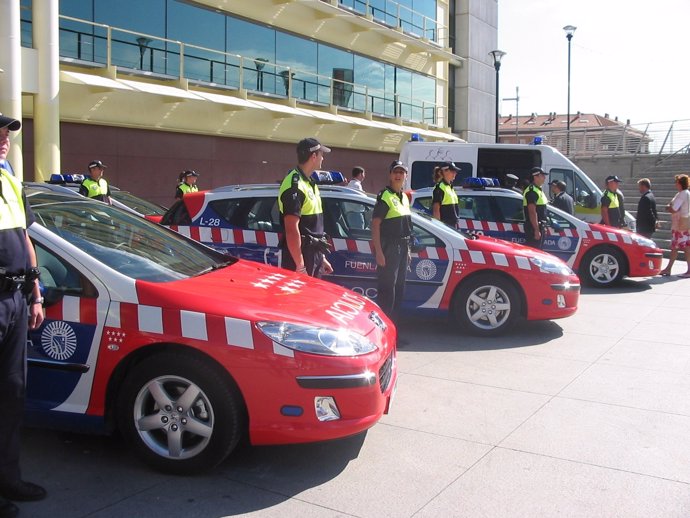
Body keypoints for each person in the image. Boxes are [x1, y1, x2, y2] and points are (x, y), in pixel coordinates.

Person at [0, 114, 47, 518]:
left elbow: (26, 237)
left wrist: (35, 291)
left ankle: (8, 477)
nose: (3, 140)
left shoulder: (9, 175)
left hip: (15, 299)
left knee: (12, 392)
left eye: (5, 134)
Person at [278, 138, 334, 278]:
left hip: (312, 254)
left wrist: (321, 258)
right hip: (300, 257)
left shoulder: (309, 183)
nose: (323, 158)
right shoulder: (294, 185)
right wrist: (300, 265)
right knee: (298, 299)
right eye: (321, 154)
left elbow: (312, 227)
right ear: (313, 156)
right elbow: (291, 229)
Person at [371, 160, 413, 320]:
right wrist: (379, 252)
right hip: (390, 248)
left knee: (399, 289)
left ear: (406, 176)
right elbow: (375, 225)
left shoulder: (403, 197)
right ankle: (384, 328)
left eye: (401, 172)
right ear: (390, 175)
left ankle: (394, 329)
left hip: (402, 247)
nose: (398, 175)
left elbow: (405, 226)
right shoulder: (385, 196)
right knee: (387, 291)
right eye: (395, 172)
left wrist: (407, 250)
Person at [659, 174, 690, 277]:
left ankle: (669, 269)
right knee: (682, 247)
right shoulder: (687, 193)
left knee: (678, 247)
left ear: (680, 183)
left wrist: (668, 207)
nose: (675, 184)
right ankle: (669, 269)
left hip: (679, 226)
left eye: (676, 182)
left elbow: (674, 209)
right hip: (685, 224)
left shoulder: (681, 194)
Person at [523, 167, 549, 249]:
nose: (544, 178)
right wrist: (536, 230)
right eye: (542, 175)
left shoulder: (538, 190)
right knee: (534, 255)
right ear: (535, 177)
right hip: (533, 228)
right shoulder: (532, 191)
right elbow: (532, 212)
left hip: (540, 226)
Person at [431, 162, 460, 228]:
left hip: (452, 227)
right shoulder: (440, 188)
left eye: (455, 172)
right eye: (452, 171)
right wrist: (438, 228)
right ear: (444, 171)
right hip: (445, 228)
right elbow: (436, 210)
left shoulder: (449, 187)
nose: (455, 173)